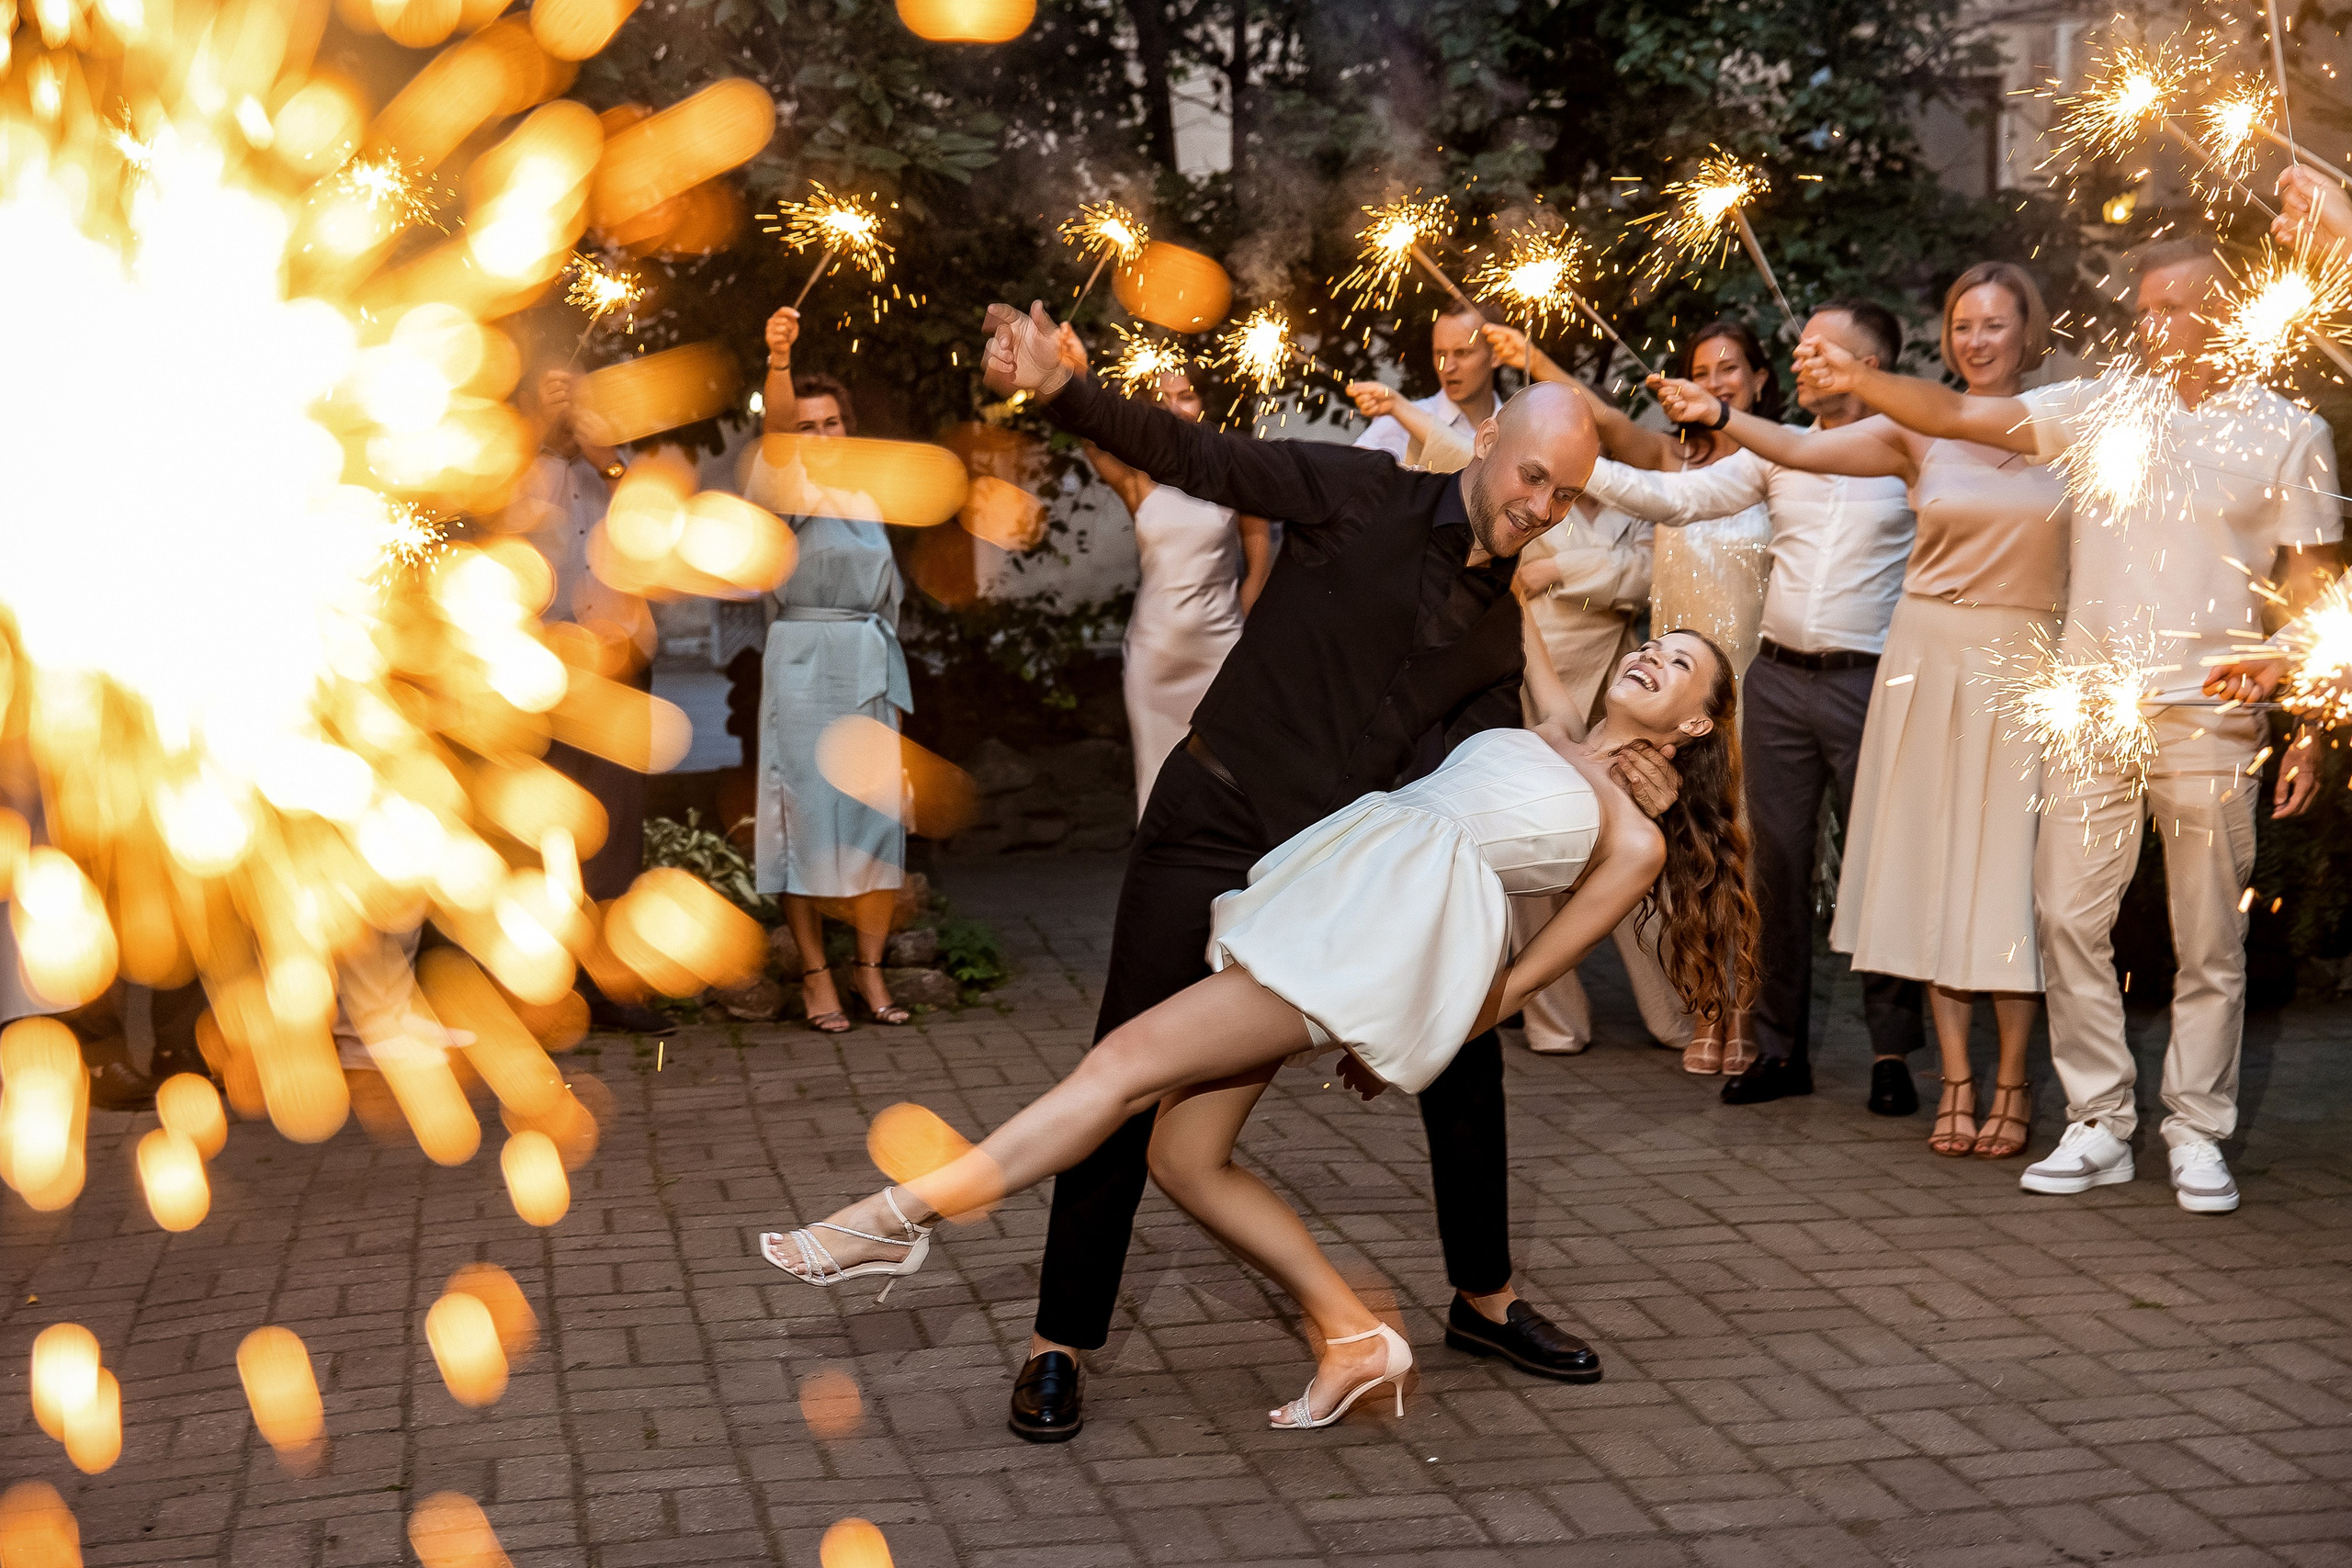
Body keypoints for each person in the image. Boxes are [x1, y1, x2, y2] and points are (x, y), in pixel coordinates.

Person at [966, 299, 1684, 1444]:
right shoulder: (1357, 494)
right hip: (1213, 820)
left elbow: (1483, 792)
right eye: (1533, 478)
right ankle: (1061, 1339)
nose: (1540, 508)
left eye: (1563, 497)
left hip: (1337, 869)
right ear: (1487, 447)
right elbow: (1201, 455)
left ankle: (1484, 1299)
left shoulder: (1500, 636)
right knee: (1127, 1060)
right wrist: (1062, 391)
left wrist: (1609, 785)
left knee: (1463, 1056)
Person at [760, 630, 1756, 1431]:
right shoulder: (1542, 732)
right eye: (1651, 642)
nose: (1649, 657)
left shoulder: (1635, 838)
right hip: (1322, 899)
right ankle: (1353, 1334)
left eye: (1677, 666)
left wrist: (1412, 1031)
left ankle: (891, 1221)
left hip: (1362, 941)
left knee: (1118, 1068)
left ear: (1695, 719)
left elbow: (1528, 970)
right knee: (1187, 1159)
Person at [1794, 240, 2341, 1213]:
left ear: (2228, 311)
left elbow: (2312, 592)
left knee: (2207, 939)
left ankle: (2197, 1131)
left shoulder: (2288, 433)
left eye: (2172, 306)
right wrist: (1862, 380)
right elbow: (1962, 413)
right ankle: (2098, 1122)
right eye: (2141, 310)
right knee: (2064, 919)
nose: (2151, 325)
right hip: (2092, 706)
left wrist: (2306, 722)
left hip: (2214, 716)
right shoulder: (2100, 408)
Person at [1653, 265, 2068, 1158]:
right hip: (1925, 659)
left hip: (2018, 670)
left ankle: (2008, 1083)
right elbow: (1798, 451)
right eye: (1961, 323)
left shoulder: (2067, 420)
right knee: (1919, 872)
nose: (1977, 339)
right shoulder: (1915, 430)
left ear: (2029, 333)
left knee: (2001, 885)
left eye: (1995, 324)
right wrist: (1721, 415)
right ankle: (1950, 1082)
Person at [1580, 300, 1929, 1111]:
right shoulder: (1780, 455)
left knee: (1878, 866)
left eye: (1821, 350)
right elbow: (1677, 502)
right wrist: (1573, 466)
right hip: (1775, 681)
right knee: (1771, 868)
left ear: (1870, 364)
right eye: (1798, 349)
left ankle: (1890, 1054)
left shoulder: (1913, 452)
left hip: (1868, 680)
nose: (1802, 361)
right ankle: (1778, 1051)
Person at [1344, 379, 1689, 1056]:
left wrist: (1562, 567)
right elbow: (1459, 452)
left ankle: (1673, 1010)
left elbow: (1645, 571)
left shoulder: (1627, 498)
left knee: (1633, 856)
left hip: (1609, 683)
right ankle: (1551, 1018)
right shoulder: (1519, 498)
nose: (1552, 494)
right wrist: (1397, 408)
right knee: (1528, 856)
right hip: (1533, 681)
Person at [745, 304, 913, 1033]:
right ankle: (816, 976)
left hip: (870, 667)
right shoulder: (785, 492)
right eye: (807, 425)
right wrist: (780, 361)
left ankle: (869, 972)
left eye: (830, 423)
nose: (818, 436)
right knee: (808, 824)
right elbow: (777, 436)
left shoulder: (868, 497)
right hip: (805, 667)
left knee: (879, 822)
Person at [506, 365, 670, 1035]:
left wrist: (606, 462)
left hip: (619, 668)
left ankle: (613, 981)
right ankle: (547, 986)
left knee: (617, 828)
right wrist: (541, 438)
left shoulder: (627, 476)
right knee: (544, 831)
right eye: (557, 394)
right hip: (542, 671)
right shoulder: (516, 470)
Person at [1486, 319, 1780, 677]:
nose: (1715, 384)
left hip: (1756, 660)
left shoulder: (1785, 459)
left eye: (1729, 368)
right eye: (1701, 373)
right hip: (1675, 659)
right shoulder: (1671, 456)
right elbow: (1606, 420)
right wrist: (1535, 361)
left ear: (1760, 378)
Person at [1065, 333, 1273, 810]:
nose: (1177, 408)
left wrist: (1239, 633)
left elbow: (1258, 561)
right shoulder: (1137, 478)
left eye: (1187, 395)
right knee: (1157, 783)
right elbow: (1093, 434)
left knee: (1226, 782)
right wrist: (1078, 375)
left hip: (1221, 648)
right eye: (1164, 399)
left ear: (1203, 401)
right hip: (1154, 656)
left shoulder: (1231, 467)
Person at [1351, 305, 1502, 465]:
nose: (1447, 367)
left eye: (1462, 353)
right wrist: (1396, 408)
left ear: (1496, 355)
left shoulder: (1519, 429)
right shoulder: (1396, 424)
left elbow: (1480, 468)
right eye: (1440, 354)